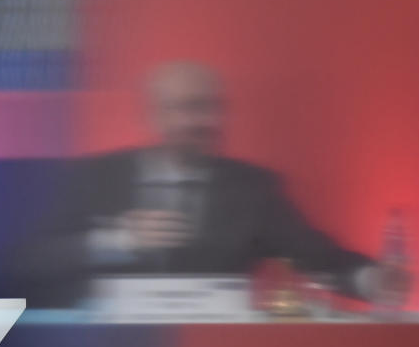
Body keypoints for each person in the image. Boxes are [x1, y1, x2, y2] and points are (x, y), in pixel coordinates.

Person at [80, 61, 400, 300]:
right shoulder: (99, 176)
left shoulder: (253, 188)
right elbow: (36, 262)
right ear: (150, 115)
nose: (207, 121)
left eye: (214, 108)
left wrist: (370, 279)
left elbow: (315, 256)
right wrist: (113, 241)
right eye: (190, 108)